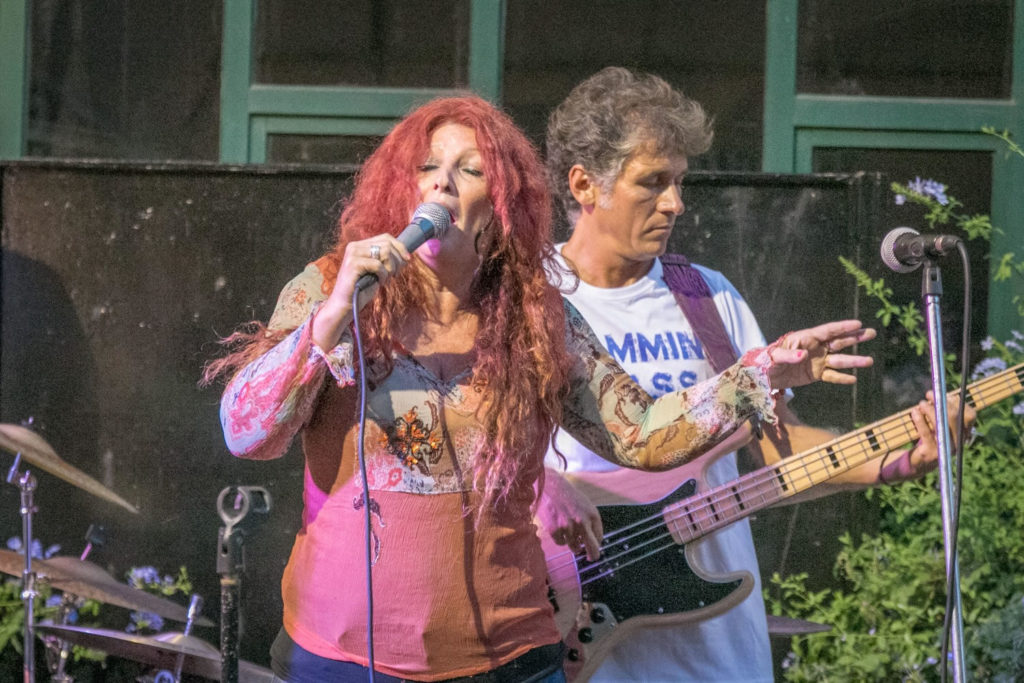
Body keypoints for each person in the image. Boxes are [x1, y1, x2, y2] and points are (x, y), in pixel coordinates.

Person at [206, 94, 877, 683]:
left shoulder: (537, 315)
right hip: (339, 658)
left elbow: (642, 433)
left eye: (469, 170)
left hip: (508, 656)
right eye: (426, 167)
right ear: (398, 186)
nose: (442, 183)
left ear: (500, 204)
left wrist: (761, 372)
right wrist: (328, 323)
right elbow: (246, 432)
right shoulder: (330, 289)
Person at [538, 66, 975, 682]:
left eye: (679, 181)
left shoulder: (705, 296)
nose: (675, 203)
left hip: (718, 655)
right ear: (585, 184)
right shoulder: (527, 299)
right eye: (653, 182)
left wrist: (900, 458)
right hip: (576, 637)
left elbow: (776, 448)